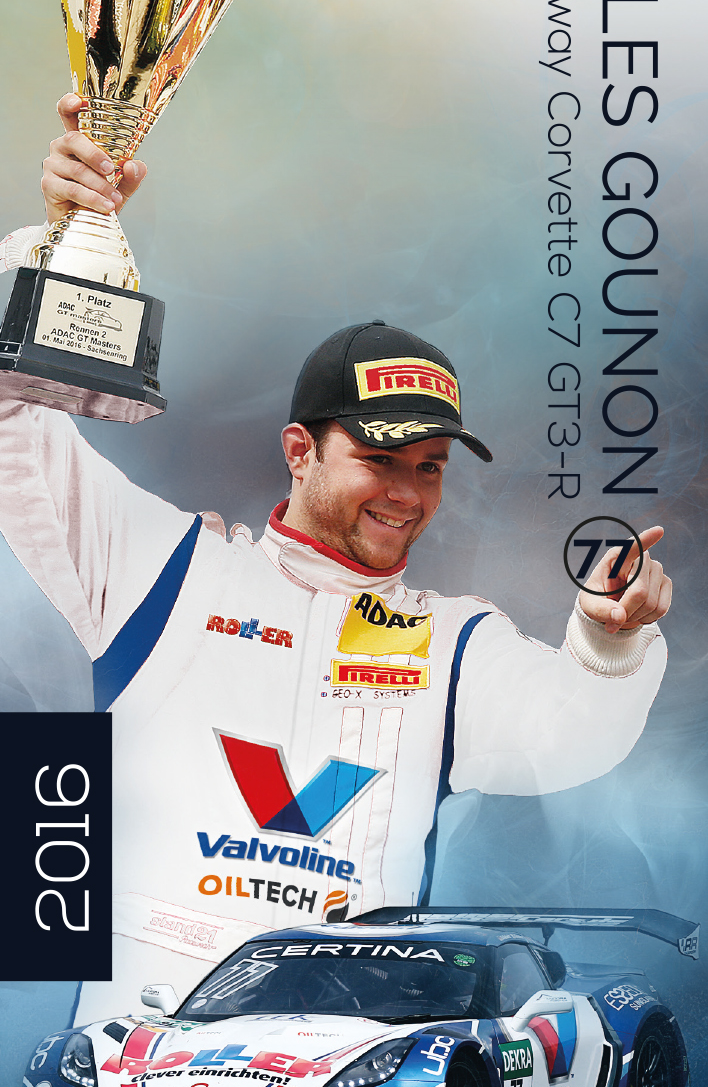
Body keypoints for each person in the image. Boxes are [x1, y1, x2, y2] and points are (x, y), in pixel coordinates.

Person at [0, 96, 672, 1022]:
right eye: (380, 459)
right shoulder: (161, 565)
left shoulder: (454, 642)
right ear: (299, 450)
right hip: (137, 1054)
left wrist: (609, 642)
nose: (406, 492)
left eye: (429, 467)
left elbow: (571, 736)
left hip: (347, 1071)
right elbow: (12, 422)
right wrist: (59, 245)